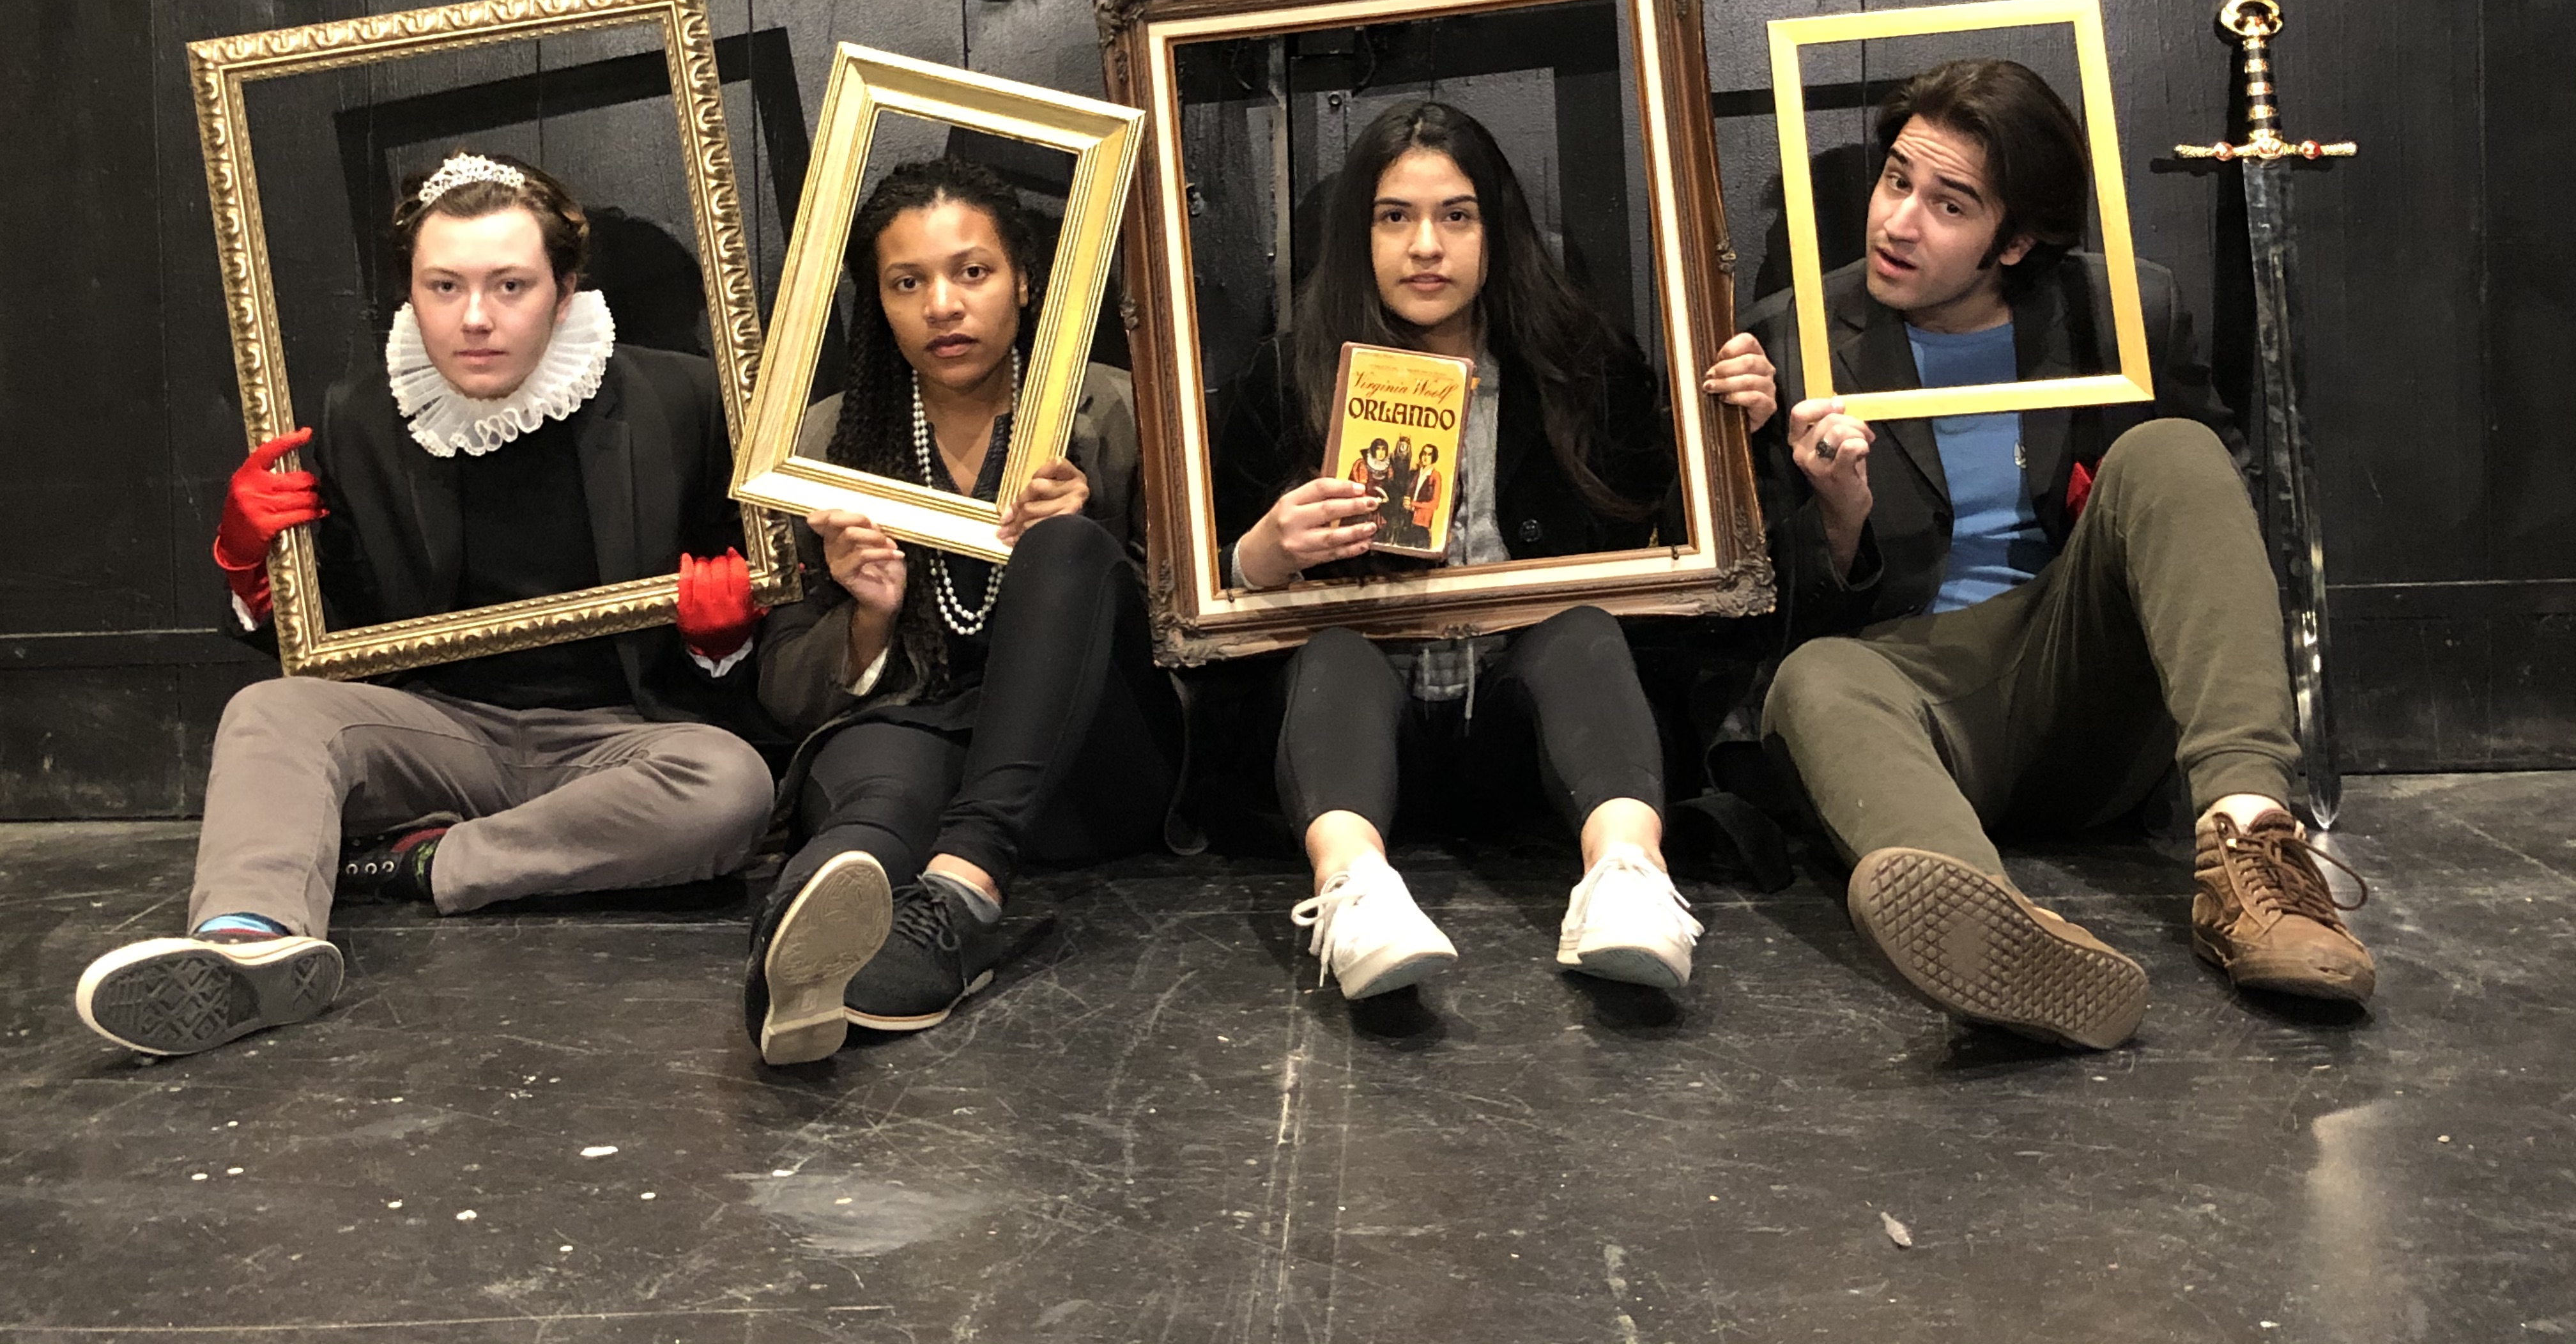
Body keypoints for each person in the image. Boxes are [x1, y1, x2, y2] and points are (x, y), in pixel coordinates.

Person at [1727, 58, 2374, 1051]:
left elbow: (2213, 527)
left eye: (1950, 205)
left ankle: (2252, 853)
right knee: (1812, 677)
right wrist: (1840, 510)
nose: (1899, 222)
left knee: (2176, 450)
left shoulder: (2125, 314)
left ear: (2017, 239)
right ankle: (1993, 933)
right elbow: (1779, 619)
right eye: (1897, 180)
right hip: (1915, 698)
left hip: (2082, 678)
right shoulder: (1795, 339)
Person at [75, 154, 776, 1058]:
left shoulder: (682, 397)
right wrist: (248, 557)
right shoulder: (360, 415)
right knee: (270, 713)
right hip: (438, 730)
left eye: (509, 285)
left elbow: (760, 603)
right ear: (411, 291)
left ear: (564, 293)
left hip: (621, 741)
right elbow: (328, 635)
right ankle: (243, 944)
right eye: (444, 286)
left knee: (731, 786)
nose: (475, 318)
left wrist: (722, 641)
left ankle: (415, 865)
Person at [1211, 98, 1711, 1001]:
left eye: (1456, 216)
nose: (1426, 247)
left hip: (1533, 743)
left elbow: (1692, 539)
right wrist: (1259, 555)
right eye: (1394, 217)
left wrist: (1736, 427)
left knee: (1584, 629)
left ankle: (1630, 878)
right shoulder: (1283, 380)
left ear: (1498, 229)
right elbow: (1182, 595)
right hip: (1360, 741)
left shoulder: (1582, 368)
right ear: (1357, 235)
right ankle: (1354, 893)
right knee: (1335, 652)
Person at [741, 157, 1180, 1066]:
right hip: (922, 754)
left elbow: (1191, 638)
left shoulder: (1120, 412)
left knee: (1066, 547)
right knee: (879, 783)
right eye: (909, 282)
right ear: (880, 301)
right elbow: (785, 691)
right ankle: (800, 943)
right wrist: (865, 618)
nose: (943, 304)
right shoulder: (828, 441)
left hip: (1085, 777)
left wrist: (1092, 541)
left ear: (1023, 279)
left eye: (971, 272)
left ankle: (961, 902)